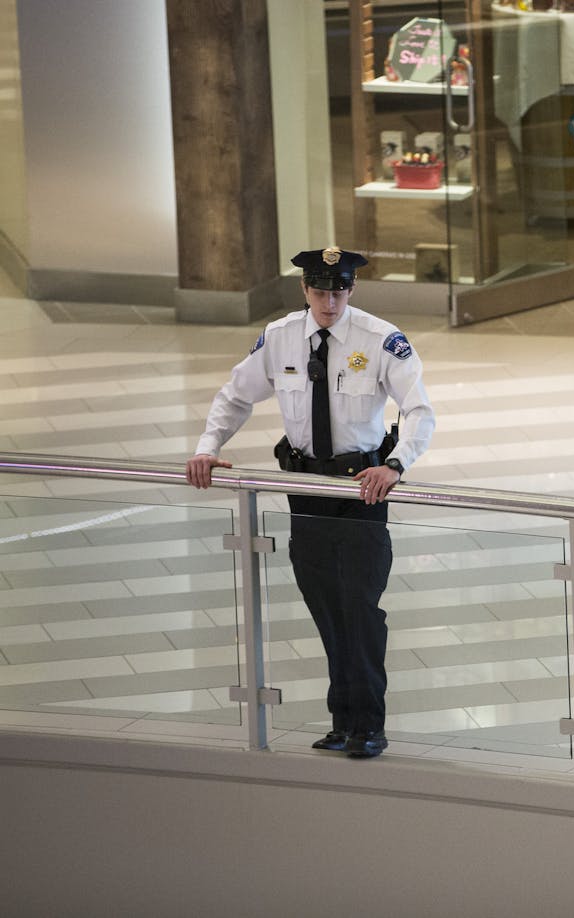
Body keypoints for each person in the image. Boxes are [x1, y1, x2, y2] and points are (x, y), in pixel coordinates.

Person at [186, 246, 436, 757]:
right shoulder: (279, 340)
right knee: (325, 606)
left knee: (360, 608)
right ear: (304, 290)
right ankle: (342, 721)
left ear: (352, 288)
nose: (330, 301)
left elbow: (418, 409)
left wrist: (396, 463)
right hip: (305, 490)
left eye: (340, 290)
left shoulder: (380, 339)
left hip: (360, 489)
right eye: (320, 291)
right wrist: (207, 448)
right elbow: (234, 396)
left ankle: (368, 724)